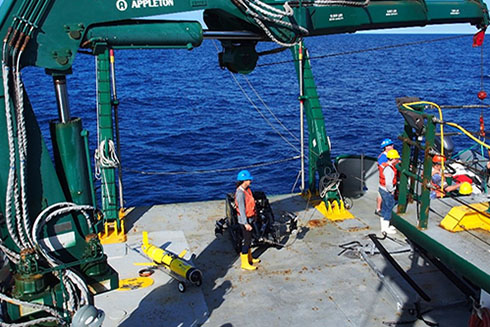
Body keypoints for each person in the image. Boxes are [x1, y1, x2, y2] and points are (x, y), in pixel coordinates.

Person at [235, 169, 260, 271]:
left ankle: (250, 258)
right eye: (249, 180)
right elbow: (241, 209)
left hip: (250, 219)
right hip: (244, 221)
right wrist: (245, 223)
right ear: (244, 180)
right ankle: (244, 263)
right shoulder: (240, 193)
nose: (250, 181)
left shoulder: (247, 190)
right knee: (246, 241)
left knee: (249, 240)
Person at [378, 149, 400, 234]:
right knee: (389, 207)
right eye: (396, 159)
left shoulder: (386, 166)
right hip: (386, 190)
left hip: (382, 188)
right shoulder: (389, 169)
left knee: (384, 207)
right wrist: (391, 191)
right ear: (393, 159)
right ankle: (385, 228)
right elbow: (388, 183)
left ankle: (384, 226)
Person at [376, 138, 395, 216]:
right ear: (385, 147)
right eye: (388, 145)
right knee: (381, 194)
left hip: (390, 177)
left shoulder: (391, 154)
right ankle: (379, 209)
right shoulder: (383, 157)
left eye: (391, 145)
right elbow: (382, 166)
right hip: (384, 179)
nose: (391, 146)